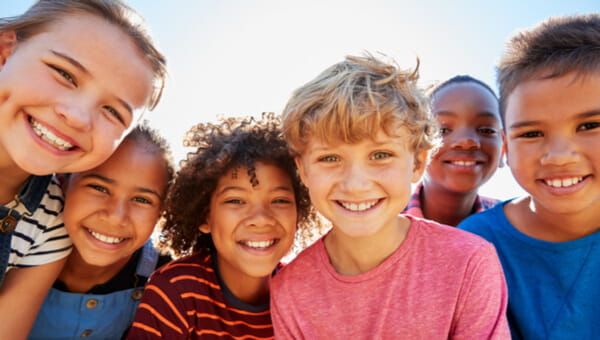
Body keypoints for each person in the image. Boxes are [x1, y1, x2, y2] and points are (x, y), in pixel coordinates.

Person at [270, 54, 510, 339]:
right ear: (303, 171)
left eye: (381, 155)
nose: (356, 184)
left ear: (418, 163)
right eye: (330, 158)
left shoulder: (470, 262)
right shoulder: (289, 289)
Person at [0, 0, 166, 338]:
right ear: (5, 51)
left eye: (113, 111)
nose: (77, 116)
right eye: (64, 73)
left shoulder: (49, 226)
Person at [458, 14, 600, 339]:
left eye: (590, 126)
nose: (560, 156)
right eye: (532, 133)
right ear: (506, 148)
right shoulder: (476, 246)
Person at [126, 113, 322, 339]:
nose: (260, 218)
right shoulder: (178, 289)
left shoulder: (306, 297)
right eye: (235, 201)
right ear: (204, 217)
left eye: (280, 201)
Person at [28, 124, 174, 339]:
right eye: (99, 188)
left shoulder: (168, 280)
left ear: (162, 212)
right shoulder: (17, 245)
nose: (115, 216)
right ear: (62, 181)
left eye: (142, 200)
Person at [404, 75, 503, 226]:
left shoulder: (516, 228)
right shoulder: (381, 224)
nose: (466, 141)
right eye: (442, 130)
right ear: (417, 147)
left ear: (503, 148)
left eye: (486, 130)